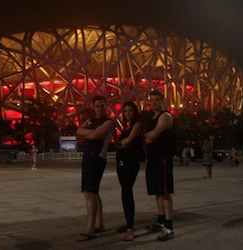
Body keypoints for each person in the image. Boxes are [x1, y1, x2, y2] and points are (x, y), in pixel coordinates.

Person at [75, 95, 115, 242]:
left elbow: (94, 135)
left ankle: (90, 229)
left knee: (89, 192)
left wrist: (89, 133)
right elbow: (79, 131)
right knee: (94, 192)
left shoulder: (109, 122)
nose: (99, 108)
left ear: (107, 106)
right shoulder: (92, 120)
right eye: (97, 106)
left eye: (102, 106)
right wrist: (90, 133)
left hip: (96, 158)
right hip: (88, 157)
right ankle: (100, 223)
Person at [144, 90, 175, 241]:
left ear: (163, 101)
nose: (154, 103)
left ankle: (169, 227)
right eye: (152, 100)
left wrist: (147, 136)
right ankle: (160, 220)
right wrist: (148, 137)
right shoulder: (152, 117)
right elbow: (148, 138)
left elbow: (153, 135)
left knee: (165, 191)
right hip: (153, 158)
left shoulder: (165, 116)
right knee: (157, 191)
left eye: (157, 100)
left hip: (162, 158)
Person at [115, 101, 143, 241]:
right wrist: (120, 143)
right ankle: (128, 223)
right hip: (121, 162)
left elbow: (126, 142)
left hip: (130, 162)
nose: (128, 113)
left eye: (130, 111)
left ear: (135, 111)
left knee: (127, 191)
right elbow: (121, 142)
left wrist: (120, 143)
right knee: (125, 191)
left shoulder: (137, 125)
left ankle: (131, 228)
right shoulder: (126, 126)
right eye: (125, 111)